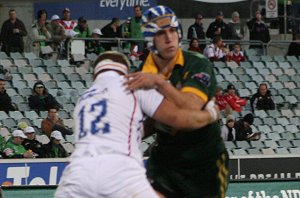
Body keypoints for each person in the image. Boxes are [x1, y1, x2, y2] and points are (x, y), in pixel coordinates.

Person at [55, 51, 220, 198]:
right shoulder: (133, 86)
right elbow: (182, 120)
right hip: (120, 170)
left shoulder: (83, 99)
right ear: (126, 72)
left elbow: (127, 129)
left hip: (78, 172)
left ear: (94, 76)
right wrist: (211, 113)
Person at [126, 6, 228, 198]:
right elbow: (151, 118)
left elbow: (190, 107)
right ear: (150, 39)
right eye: (161, 33)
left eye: (173, 30)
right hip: (166, 159)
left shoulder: (197, 63)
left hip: (205, 160)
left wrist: (160, 83)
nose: (169, 37)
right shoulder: (143, 71)